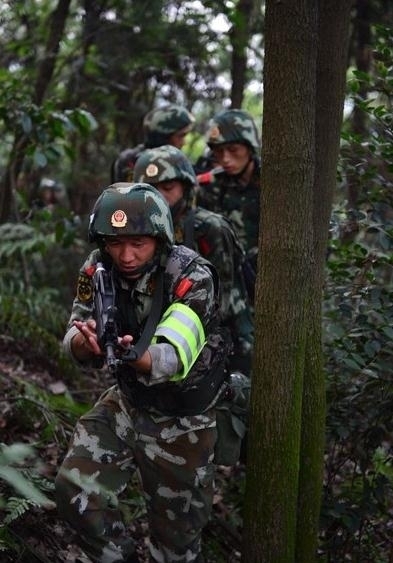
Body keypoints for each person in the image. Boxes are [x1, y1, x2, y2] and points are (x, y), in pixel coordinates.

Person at [55, 182, 232, 563]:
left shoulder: (192, 275)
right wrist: (84, 343)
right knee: (75, 491)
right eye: (116, 244)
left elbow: (173, 353)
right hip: (128, 402)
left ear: (160, 237)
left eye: (138, 243)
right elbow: (75, 327)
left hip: (182, 419)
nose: (127, 255)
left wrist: (137, 355)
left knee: (176, 547)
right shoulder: (97, 266)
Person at [133, 145, 254, 377]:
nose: (159, 197)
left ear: (186, 188)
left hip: (216, 335)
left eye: (168, 188)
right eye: (150, 189)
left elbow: (223, 302)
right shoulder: (137, 231)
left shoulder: (209, 229)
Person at [196, 109, 261, 291]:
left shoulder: (273, 185)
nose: (225, 159)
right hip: (222, 282)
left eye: (233, 150)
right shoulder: (208, 185)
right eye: (218, 151)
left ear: (249, 148)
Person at [111, 104, 195, 183]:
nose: (184, 142)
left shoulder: (176, 160)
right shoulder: (131, 161)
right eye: (180, 136)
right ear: (163, 137)